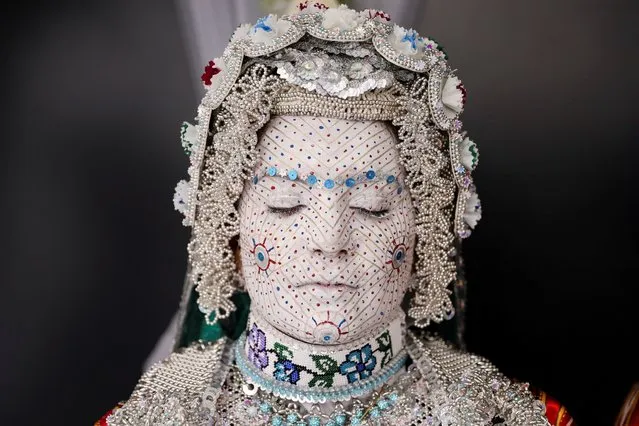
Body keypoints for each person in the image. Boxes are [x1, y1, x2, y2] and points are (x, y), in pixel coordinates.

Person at [98, 3, 574, 425]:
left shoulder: (505, 415)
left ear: (426, 234)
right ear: (230, 234)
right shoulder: (158, 416)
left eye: (372, 207)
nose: (330, 237)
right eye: (286, 205)